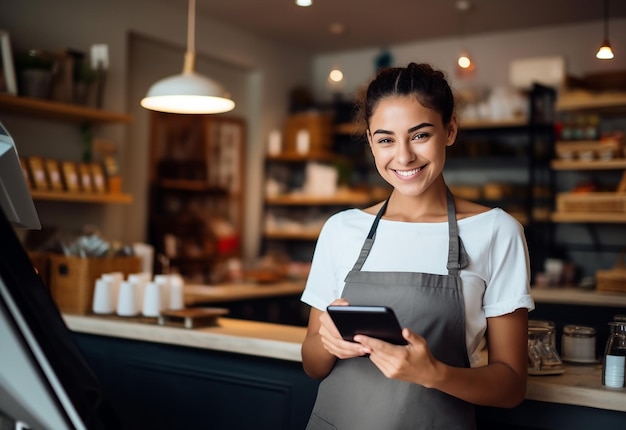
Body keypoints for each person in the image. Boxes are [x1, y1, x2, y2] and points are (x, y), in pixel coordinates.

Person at [300, 62, 533, 430]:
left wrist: (435, 373)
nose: (404, 156)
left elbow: (511, 386)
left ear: (450, 130)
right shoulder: (341, 230)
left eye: (420, 135)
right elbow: (312, 367)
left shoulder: (496, 231)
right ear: (371, 142)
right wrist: (328, 341)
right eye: (386, 139)